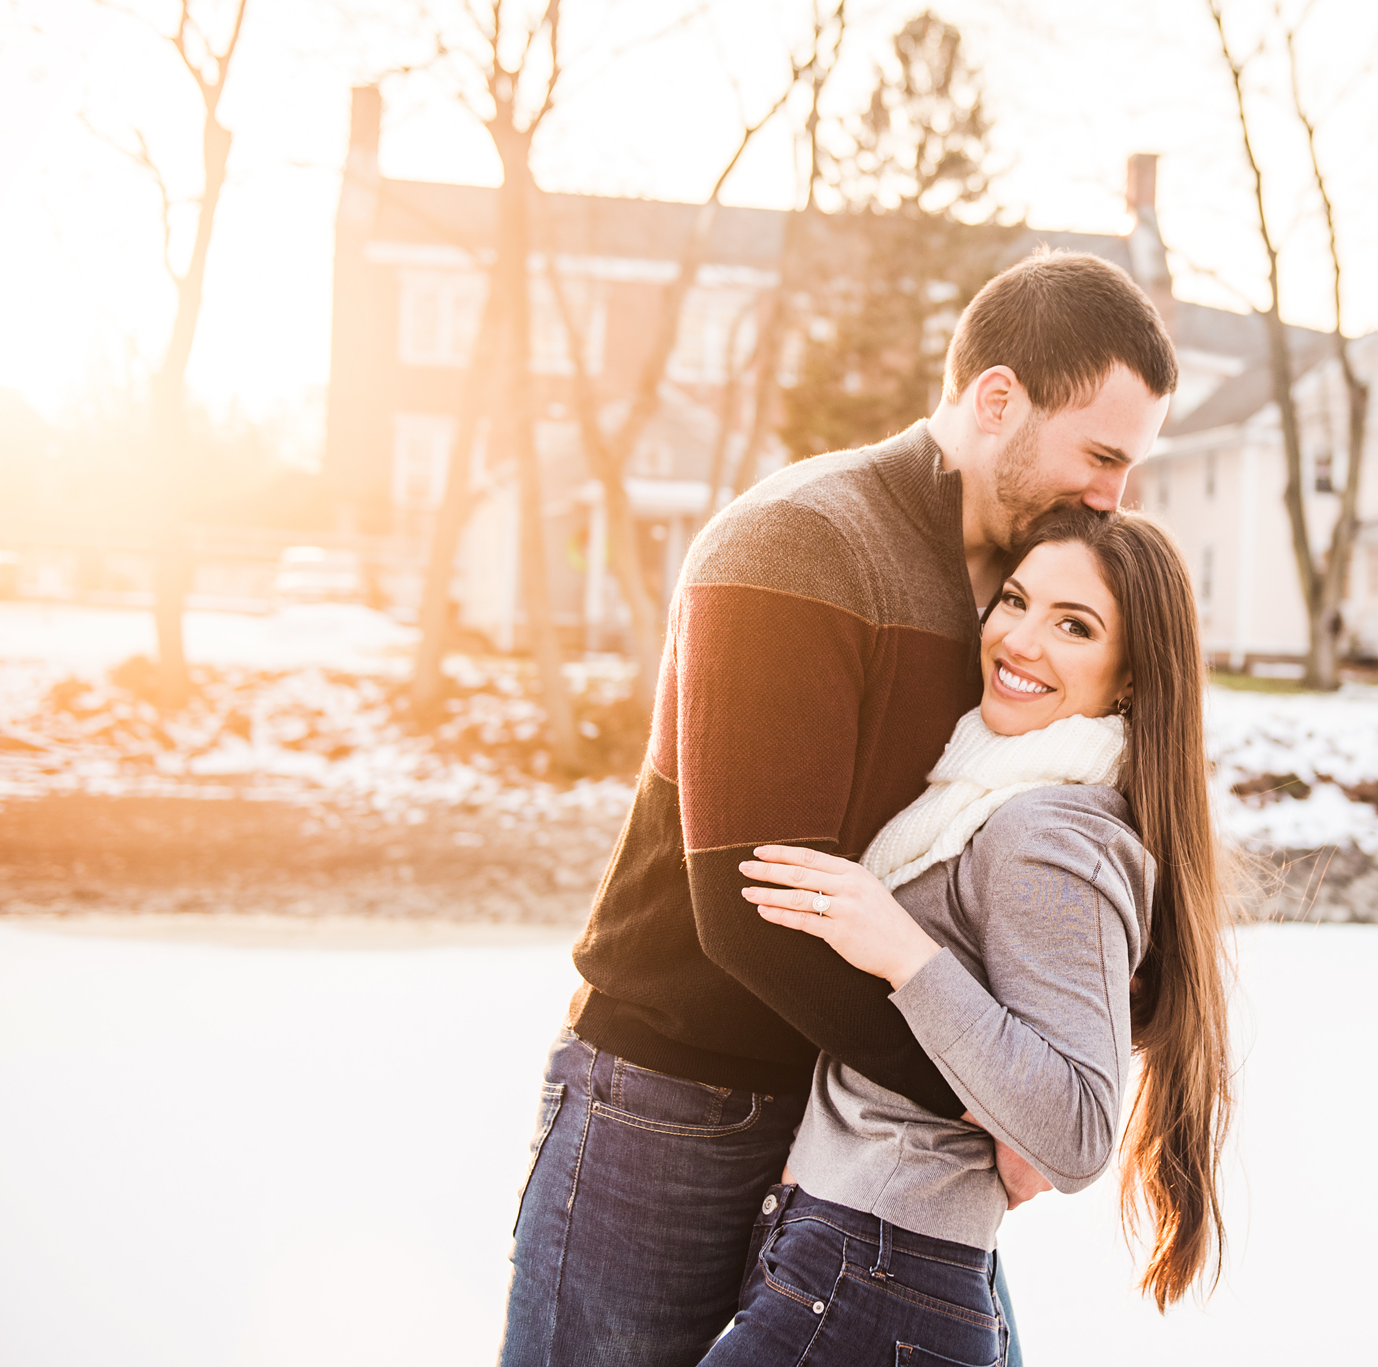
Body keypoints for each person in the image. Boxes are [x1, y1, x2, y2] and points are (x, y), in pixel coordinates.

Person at [497, 248, 1179, 1367]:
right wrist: (980, 1101)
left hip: (846, 1146)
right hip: (668, 1105)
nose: (1112, 496)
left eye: (1129, 468)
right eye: (1100, 454)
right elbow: (745, 906)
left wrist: (1075, 1043)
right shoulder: (800, 543)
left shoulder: (1016, 606)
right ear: (996, 400)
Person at [703, 509, 1235, 1366]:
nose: (1021, 640)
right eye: (1015, 600)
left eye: (1073, 625)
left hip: (876, 1265)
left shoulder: (1048, 831)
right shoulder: (986, 791)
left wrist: (903, 951)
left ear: (1131, 677)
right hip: (852, 1255)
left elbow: (1077, 1128)